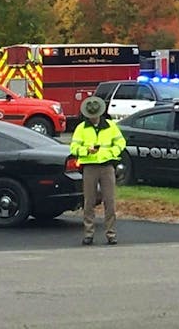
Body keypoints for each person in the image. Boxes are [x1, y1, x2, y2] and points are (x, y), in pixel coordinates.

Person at [70, 96, 126, 246]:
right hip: (89, 167)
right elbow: (73, 148)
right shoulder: (81, 128)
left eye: (95, 114)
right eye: (90, 115)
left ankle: (111, 234)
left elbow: (121, 143)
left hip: (107, 166)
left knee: (110, 201)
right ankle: (89, 234)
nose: (93, 117)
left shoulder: (110, 126)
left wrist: (111, 153)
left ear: (100, 113)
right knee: (89, 202)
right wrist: (86, 150)